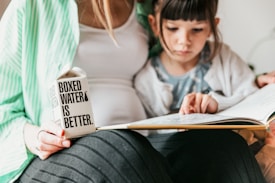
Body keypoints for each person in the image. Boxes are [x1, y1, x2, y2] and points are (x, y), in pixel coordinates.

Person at [0, 0, 266, 183]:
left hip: (141, 140)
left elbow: (176, 63)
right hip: (59, 151)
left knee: (221, 148)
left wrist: (253, 84)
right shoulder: (34, 7)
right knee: (118, 148)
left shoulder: (144, 9)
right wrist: (34, 137)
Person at [134, 0, 274, 182]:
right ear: (155, 25)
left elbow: (252, 98)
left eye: (197, 29)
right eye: (172, 28)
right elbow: (151, 137)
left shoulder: (223, 58)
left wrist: (217, 104)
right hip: (191, 162)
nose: (184, 40)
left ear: (212, 27)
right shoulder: (146, 81)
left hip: (247, 151)